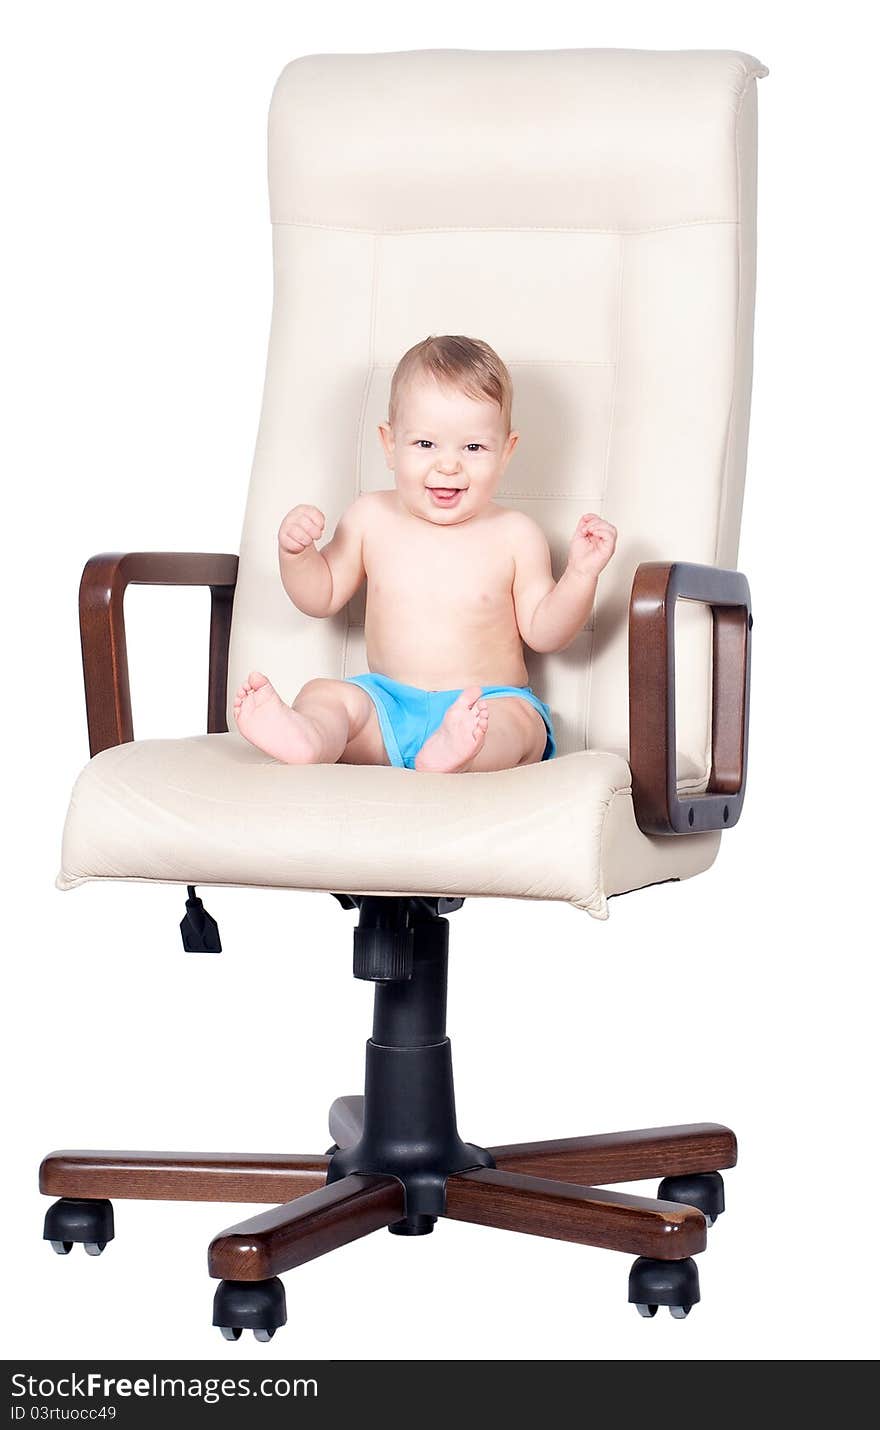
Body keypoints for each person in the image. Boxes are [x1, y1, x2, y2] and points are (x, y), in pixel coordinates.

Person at [233, 335, 617, 773]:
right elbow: (320, 596)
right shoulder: (369, 518)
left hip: (487, 701)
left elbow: (545, 632)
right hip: (388, 703)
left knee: (518, 728)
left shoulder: (515, 535)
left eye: (473, 447)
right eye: (425, 445)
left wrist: (581, 575)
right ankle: (309, 736)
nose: (448, 465)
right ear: (389, 444)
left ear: (506, 452)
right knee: (327, 696)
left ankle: (458, 755)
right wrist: (297, 554)